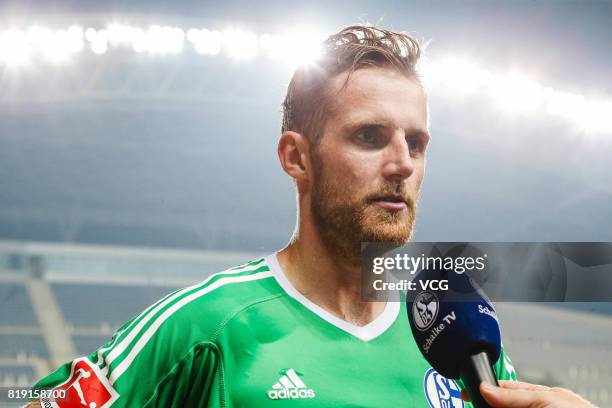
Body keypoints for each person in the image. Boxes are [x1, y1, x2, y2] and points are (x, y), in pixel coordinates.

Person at [29, 25, 518, 407]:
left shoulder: (456, 338)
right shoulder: (207, 326)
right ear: (297, 158)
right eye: (369, 136)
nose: (402, 164)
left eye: (416, 143)